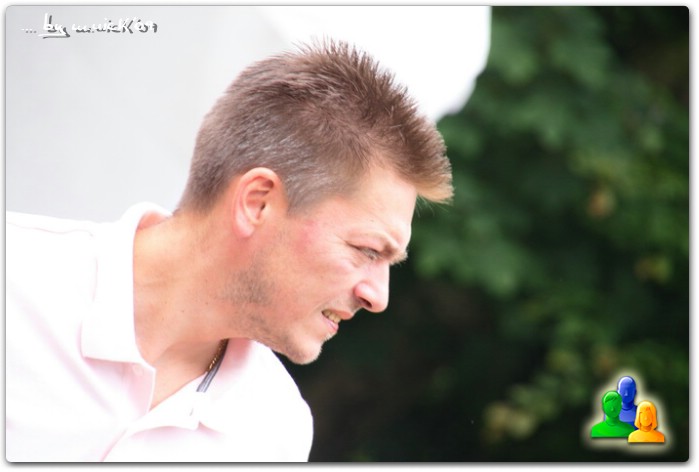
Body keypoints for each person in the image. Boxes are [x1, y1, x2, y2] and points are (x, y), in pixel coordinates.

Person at [5, 40, 453, 462]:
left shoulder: (276, 431)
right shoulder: (16, 282)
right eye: (368, 250)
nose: (378, 297)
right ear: (257, 203)